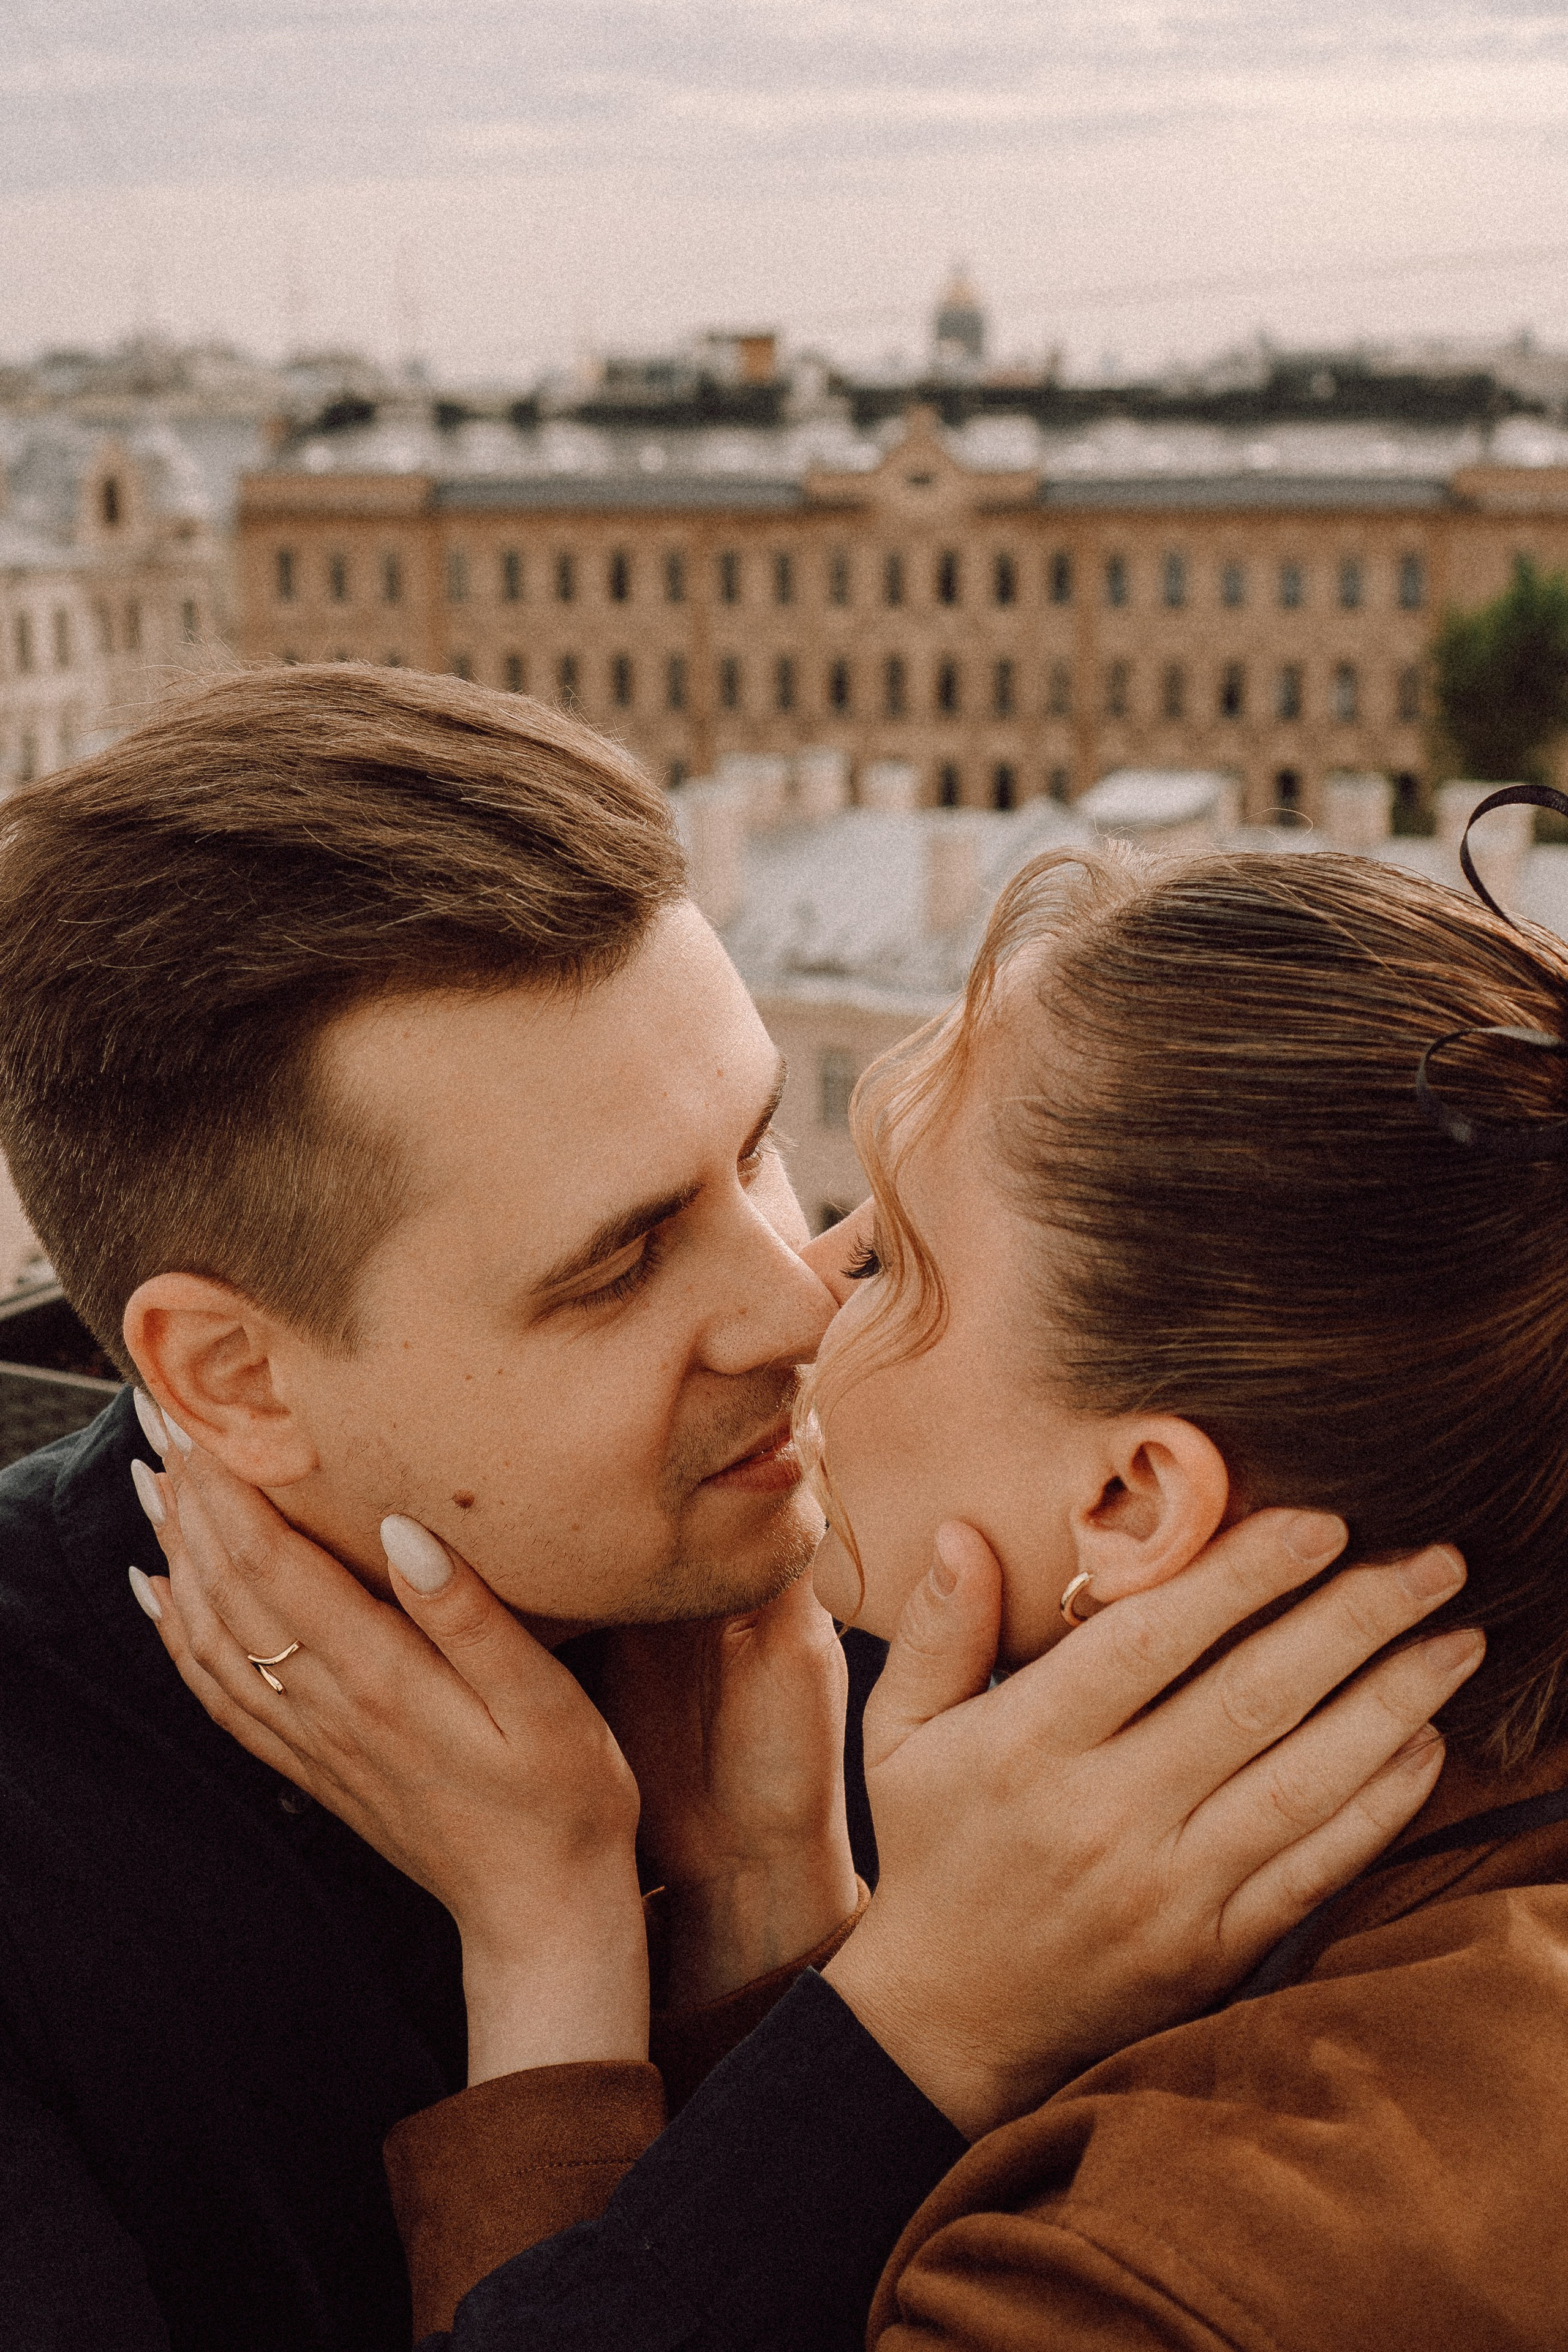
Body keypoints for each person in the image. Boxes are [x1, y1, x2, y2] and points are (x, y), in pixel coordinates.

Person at [0, 665, 1449, 2351]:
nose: (802, 1306)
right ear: (234, 1377)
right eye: (618, 1265)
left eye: (761, 1151)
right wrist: (900, 2023)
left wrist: (774, 1911)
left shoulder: (947, 1566)